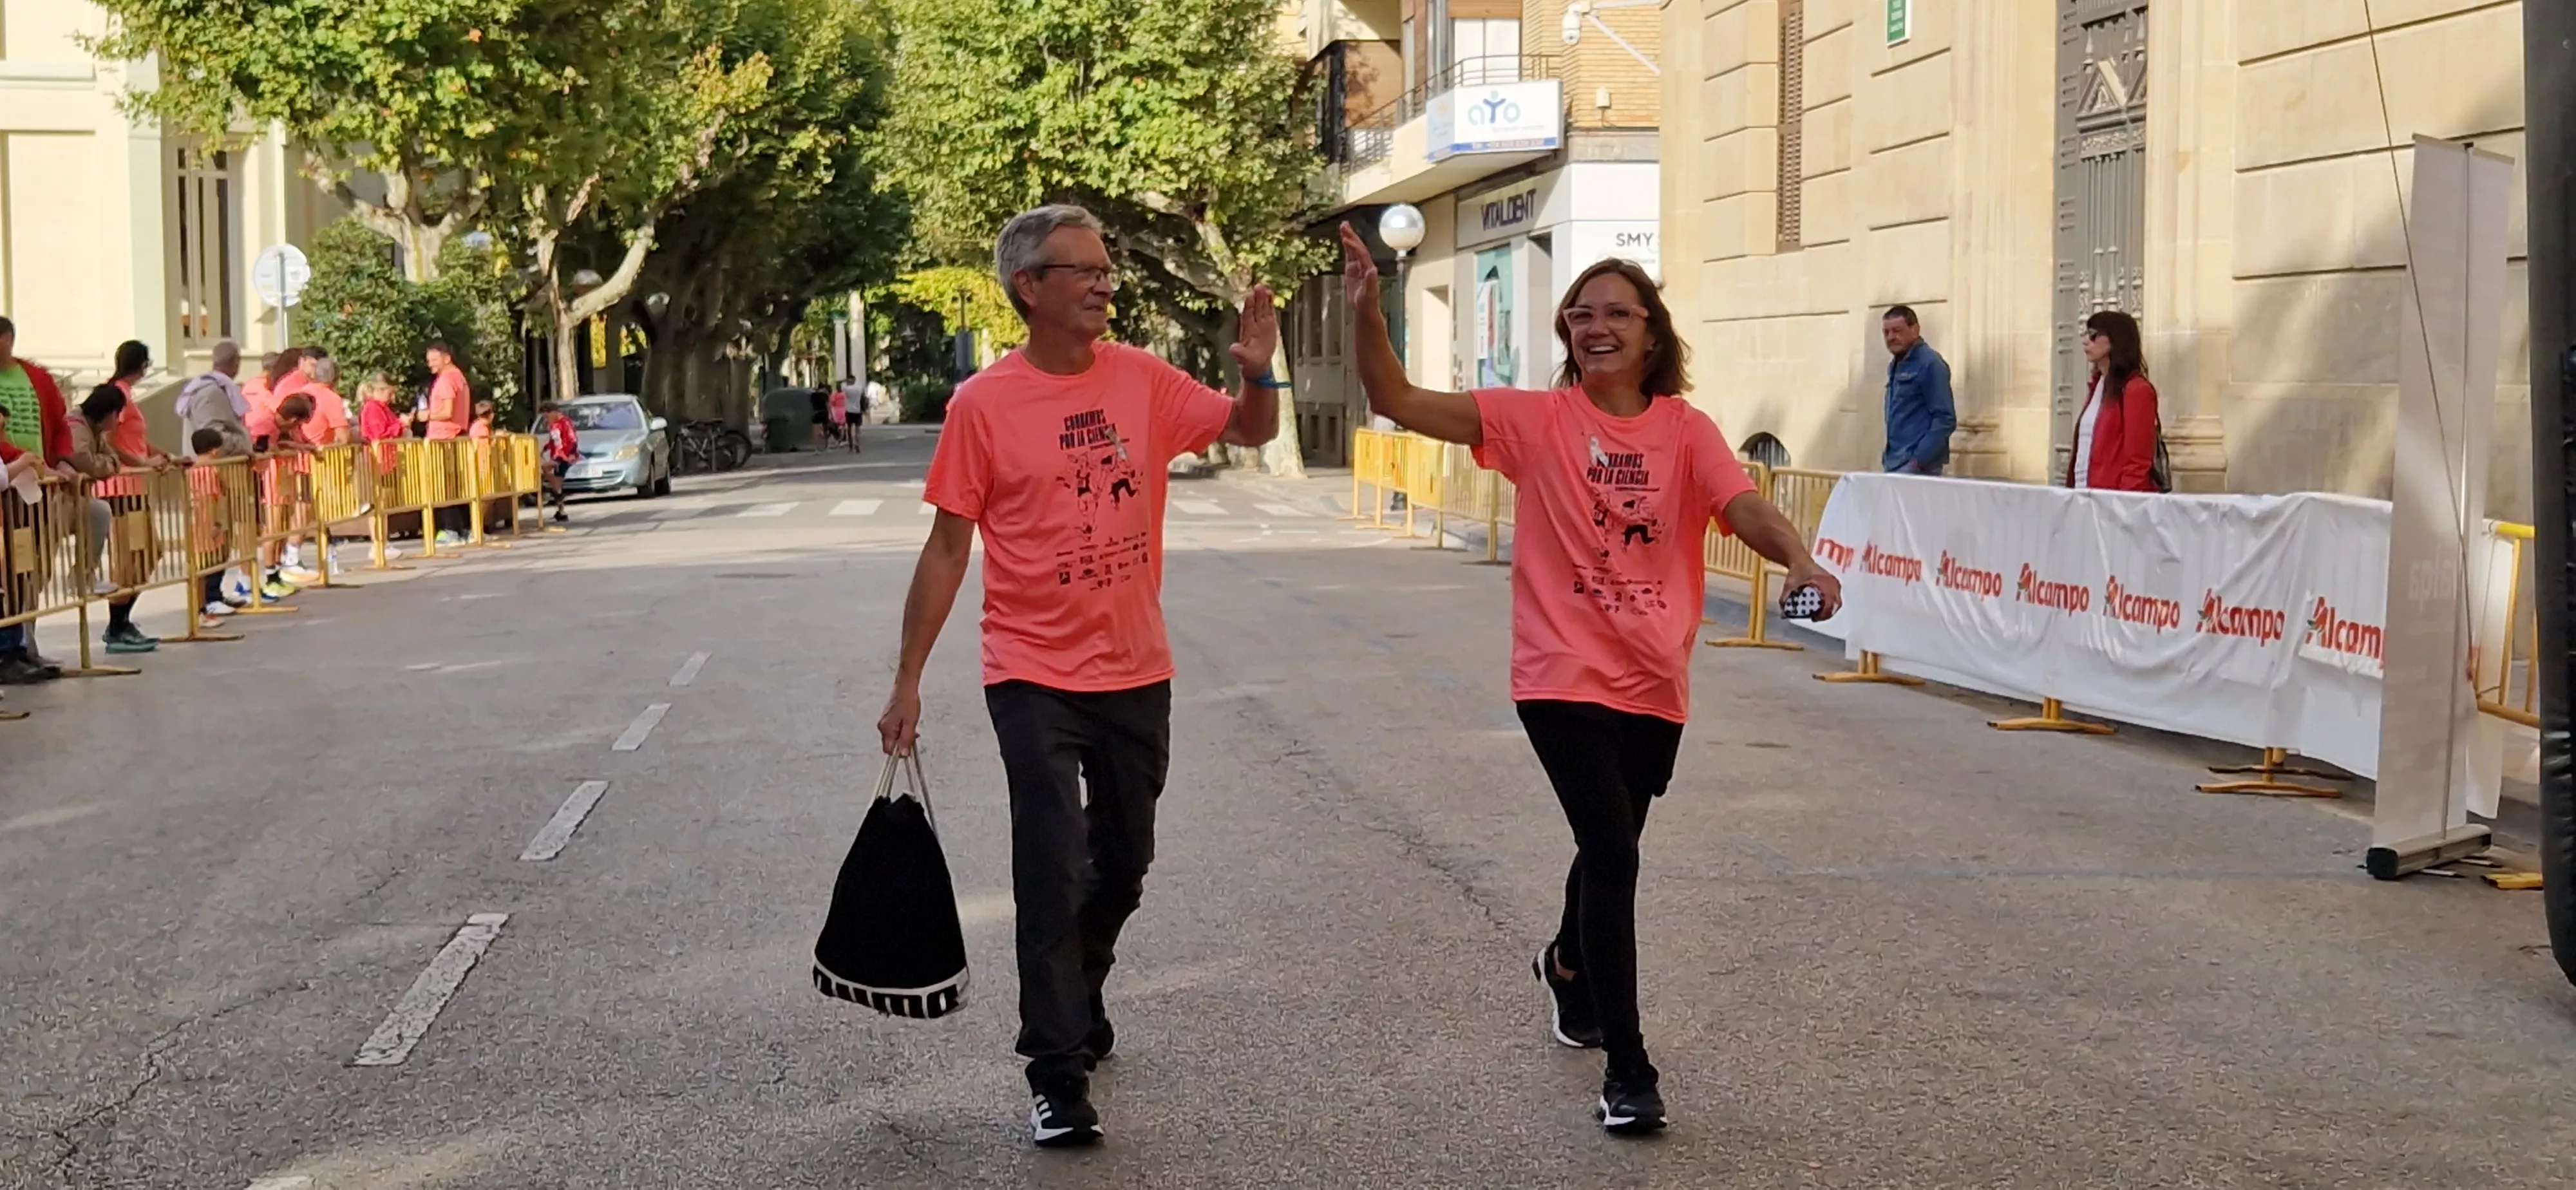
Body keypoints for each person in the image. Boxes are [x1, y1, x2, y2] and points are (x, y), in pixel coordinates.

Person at [1336, 223, 1843, 1136]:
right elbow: (1396, 397)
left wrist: (1801, 561)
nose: (1596, 324)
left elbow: (1745, 507)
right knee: (1613, 852)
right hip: (1559, 674)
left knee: (1608, 844)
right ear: (1568, 332)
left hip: (1653, 679)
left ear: (1653, 334)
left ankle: (1568, 965)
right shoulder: (1535, 421)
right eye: (1582, 312)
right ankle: (1631, 1069)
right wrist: (1372, 310)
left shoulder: (1687, 433)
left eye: (1618, 312)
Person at [875, 204, 1282, 1149]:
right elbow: (946, 550)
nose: (1105, 283)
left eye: (1106, 270)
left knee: (1124, 863)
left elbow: (1250, 430)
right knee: (1050, 866)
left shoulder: (1141, 379)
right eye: (1084, 270)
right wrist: (908, 682)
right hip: (1032, 672)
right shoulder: (985, 404)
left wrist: (1259, 370)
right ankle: (1056, 1070)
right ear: (1030, 288)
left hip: (1137, 668)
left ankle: (1081, 985)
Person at [68, 360, 176, 654]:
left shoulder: (123, 396)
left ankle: (122, 621)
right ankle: (117, 626)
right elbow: (109, 446)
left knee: (148, 553)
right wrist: (134, 464)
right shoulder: (116, 397)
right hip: (120, 490)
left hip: (131, 484)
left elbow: (116, 446)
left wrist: (158, 457)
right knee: (131, 558)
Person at [0, 315, 76, 682]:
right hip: (8, 489)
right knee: (10, 570)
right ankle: (10, 649)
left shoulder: (38, 378)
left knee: (30, 568)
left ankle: (22, 643)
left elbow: (60, 425)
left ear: (10, 340)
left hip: (37, 487)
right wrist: (17, 460)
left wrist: (58, 461)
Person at [2066, 309, 2161, 492]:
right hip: (2084, 496)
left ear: (2115, 339)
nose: (2086, 341)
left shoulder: (2136, 390)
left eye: (2094, 336)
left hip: (2113, 503)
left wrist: (2124, 506)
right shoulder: (2097, 386)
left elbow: (2138, 461)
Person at [1879, 305, 1955, 476]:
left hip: (1918, 468)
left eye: (1897, 330)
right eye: (1886, 332)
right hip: (1895, 462)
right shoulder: (1896, 364)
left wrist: (1918, 461)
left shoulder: (1930, 364)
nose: (1891, 337)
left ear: (1915, 329)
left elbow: (1945, 419)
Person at [424, 342, 473, 543]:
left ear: (447, 358)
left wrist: (427, 415)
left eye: (434, 360)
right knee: (458, 485)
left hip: (444, 438)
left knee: (442, 485)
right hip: (457, 435)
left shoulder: (446, 379)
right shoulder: (459, 377)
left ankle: (450, 530)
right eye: (429, 361)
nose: (431, 365)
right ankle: (466, 529)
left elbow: (447, 412)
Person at [178, 339, 252, 460]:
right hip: (211, 469)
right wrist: (244, 443)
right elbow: (211, 439)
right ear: (236, 363)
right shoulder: (210, 393)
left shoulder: (218, 389)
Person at [538, 401, 579, 523]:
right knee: (555, 479)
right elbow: (553, 440)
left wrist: (571, 453)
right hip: (556, 455)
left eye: (547, 416)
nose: (546, 419)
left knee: (547, 469)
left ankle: (556, 493)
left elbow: (573, 439)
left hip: (564, 455)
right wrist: (545, 449)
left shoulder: (564, 423)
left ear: (553, 412)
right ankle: (560, 506)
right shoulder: (553, 425)